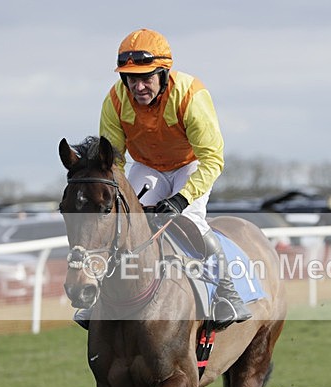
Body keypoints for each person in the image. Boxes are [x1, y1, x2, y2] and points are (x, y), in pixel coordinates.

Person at [75, 28, 251, 330]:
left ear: (163, 73)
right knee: (123, 223)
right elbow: (113, 159)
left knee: (192, 222)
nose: (139, 87)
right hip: (147, 168)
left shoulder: (190, 95)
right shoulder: (115, 101)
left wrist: (181, 198)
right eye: (132, 79)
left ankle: (227, 292)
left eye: (146, 78)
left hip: (190, 165)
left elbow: (212, 158)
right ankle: (99, 298)